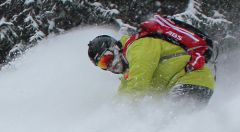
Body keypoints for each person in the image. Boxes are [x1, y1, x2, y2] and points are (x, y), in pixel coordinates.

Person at [87, 34, 215, 105]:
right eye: (103, 65)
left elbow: (138, 86)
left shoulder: (138, 46)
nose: (110, 66)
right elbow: (122, 98)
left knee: (174, 121)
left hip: (192, 80)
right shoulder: (129, 72)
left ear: (114, 48)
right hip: (185, 86)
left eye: (107, 59)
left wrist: (121, 115)